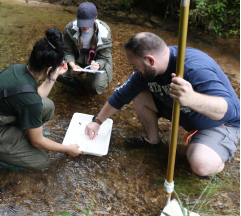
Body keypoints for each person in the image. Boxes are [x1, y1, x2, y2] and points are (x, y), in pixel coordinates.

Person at [85, 32, 240, 178]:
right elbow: (121, 95)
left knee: (201, 165)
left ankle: (214, 150)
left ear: (150, 60)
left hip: (218, 123)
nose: (134, 70)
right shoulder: (145, 71)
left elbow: (232, 110)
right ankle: (153, 141)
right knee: (138, 93)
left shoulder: (194, 67)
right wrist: (97, 121)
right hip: (182, 110)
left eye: (134, 65)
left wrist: (192, 98)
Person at [0, 28, 84, 171]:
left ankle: (23, 135)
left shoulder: (18, 69)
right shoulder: (29, 99)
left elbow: (33, 97)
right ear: (47, 69)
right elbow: (37, 141)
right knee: (43, 163)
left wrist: (54, 74)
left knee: (47, 106)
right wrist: (67, 149)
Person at [57, 2, 113, 95]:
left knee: (96, 86)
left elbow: (104, 57)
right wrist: (73, 65)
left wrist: (98, 65)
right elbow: (67, 51)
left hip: (95, 59)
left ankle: (88, 85)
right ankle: (74, 82)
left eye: (88, 23)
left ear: (95, 18)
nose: (85, 27)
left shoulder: (104, 32)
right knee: (57, 73)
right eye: (82, 23)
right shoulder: (70, 29)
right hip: (76, 57)